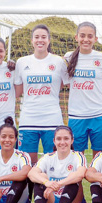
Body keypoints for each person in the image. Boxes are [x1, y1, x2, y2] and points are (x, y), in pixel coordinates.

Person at [14, 24, 68, 164]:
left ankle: (52, 186)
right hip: (28, 119)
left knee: (53, 162)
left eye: (43, 37)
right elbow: (18, 91)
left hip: (52, 119)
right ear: (31, 40)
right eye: (36, 37)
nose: (40, 40)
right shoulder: (21, 62)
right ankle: (32, 187)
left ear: (49, 40)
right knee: (27, 163)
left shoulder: (58, 61)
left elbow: (64, 83)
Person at [64, 22, 102, 157]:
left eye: (90, 36)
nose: (86, 39)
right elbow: (66, 82)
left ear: (95, 39)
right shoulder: (68, 57)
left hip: (99, 114)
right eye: (82, 36)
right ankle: (76, 179)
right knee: (76, 157)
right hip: (76, 115)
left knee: (100, 156)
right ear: (76, 37)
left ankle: (97, 179)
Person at [28, 126, 87, 203]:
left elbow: (80, 174)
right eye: (59, 139)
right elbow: (31, 174)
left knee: (73, 176)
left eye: (66, 138)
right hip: (51, 202)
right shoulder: (48, 157)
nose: (62, 142)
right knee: (40, 176)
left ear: (72, 140)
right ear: (54, 141)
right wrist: (47, 182)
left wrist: (59, 184)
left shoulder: (78, 156)